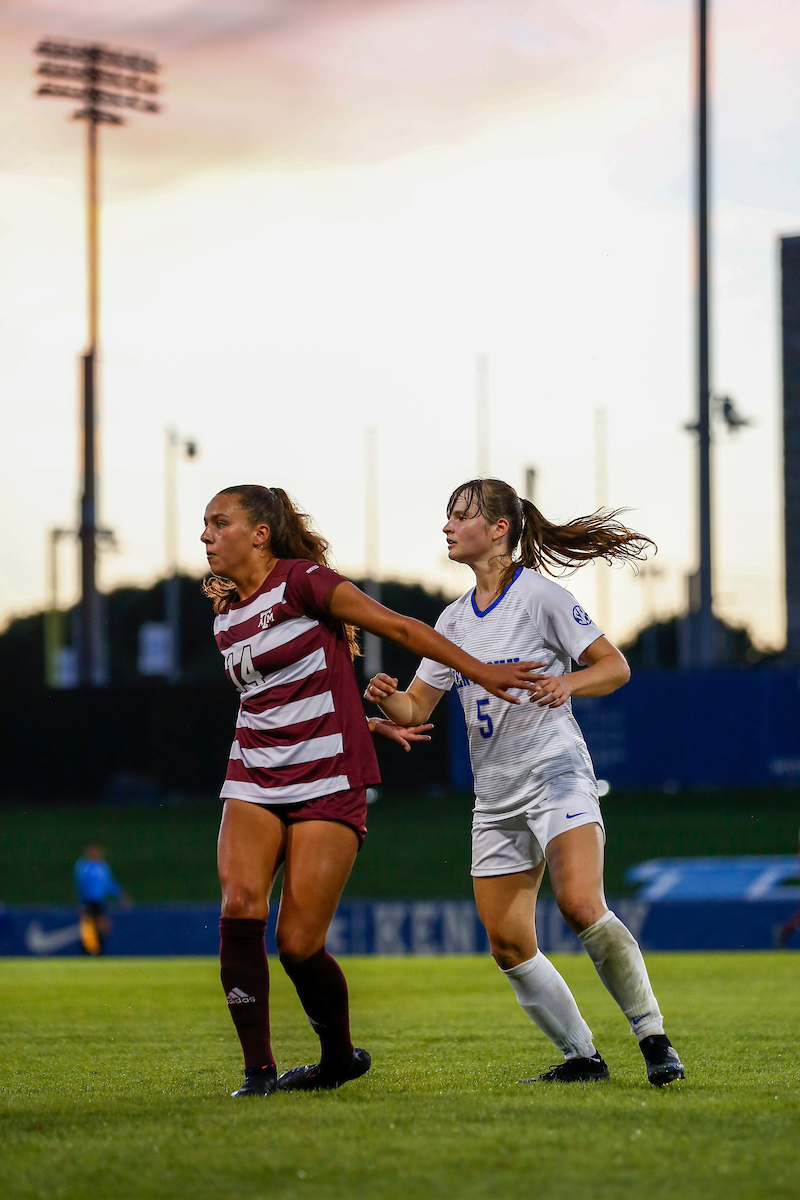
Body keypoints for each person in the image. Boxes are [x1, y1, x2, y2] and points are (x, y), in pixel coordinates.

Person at [201, 483, 540, 1098]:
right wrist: (364, 718)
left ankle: (336, 1059)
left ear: (259, 534)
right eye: (205, 525)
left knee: (299, 946)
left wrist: (482, 672)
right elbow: (278, 695)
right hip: (253, 772)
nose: (206, 535)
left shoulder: (307, 582)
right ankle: (258, 1072)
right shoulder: (226, 613)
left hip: (328, 778)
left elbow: (400, 628)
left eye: (219, 523)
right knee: (238, 907)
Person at [365, 478, 685, 1087]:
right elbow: (417, 708)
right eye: (449, 515)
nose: (448, 527)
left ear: (498, 530)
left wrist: (569, 683)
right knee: (508, 944)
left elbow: (614, 666)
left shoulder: (540, 595)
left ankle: (654, 1039)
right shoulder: (453, 619)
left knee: (580, 904)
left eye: (460, 516)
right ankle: (583, 1058)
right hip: (496, 799)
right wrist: (390, 709)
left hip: (557, 776)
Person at [73, 842, 129, 955]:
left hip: (100, 901)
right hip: (88, 902)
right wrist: (81, 902)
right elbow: (81, 885)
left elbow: (108, 884)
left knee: (102, 928)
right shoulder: (83, 866)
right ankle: (85, 953)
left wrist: (120, 894)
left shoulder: (103, 867)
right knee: (87, 929)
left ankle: (100, 953)